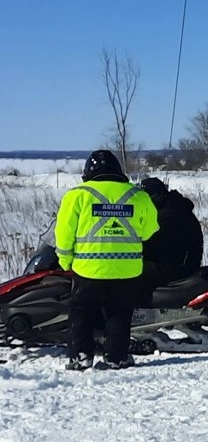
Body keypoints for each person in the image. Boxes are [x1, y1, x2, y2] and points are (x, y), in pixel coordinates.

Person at [55, 150, 159, 370]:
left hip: (87, 269)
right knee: (119, 313)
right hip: (127, 269)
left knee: (82, 311)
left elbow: (64, 234)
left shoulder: (76, 196)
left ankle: (81, 356)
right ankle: (116, 357)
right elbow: (150, 230)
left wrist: (65, 262)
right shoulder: (138, 196)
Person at [139, 177, 204, 290]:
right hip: (173, 263)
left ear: (157, 196)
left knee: (129, 272)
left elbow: (153, 245)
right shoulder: (173, 209)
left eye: (145, 199)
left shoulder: (171, 216)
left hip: (177, 268)